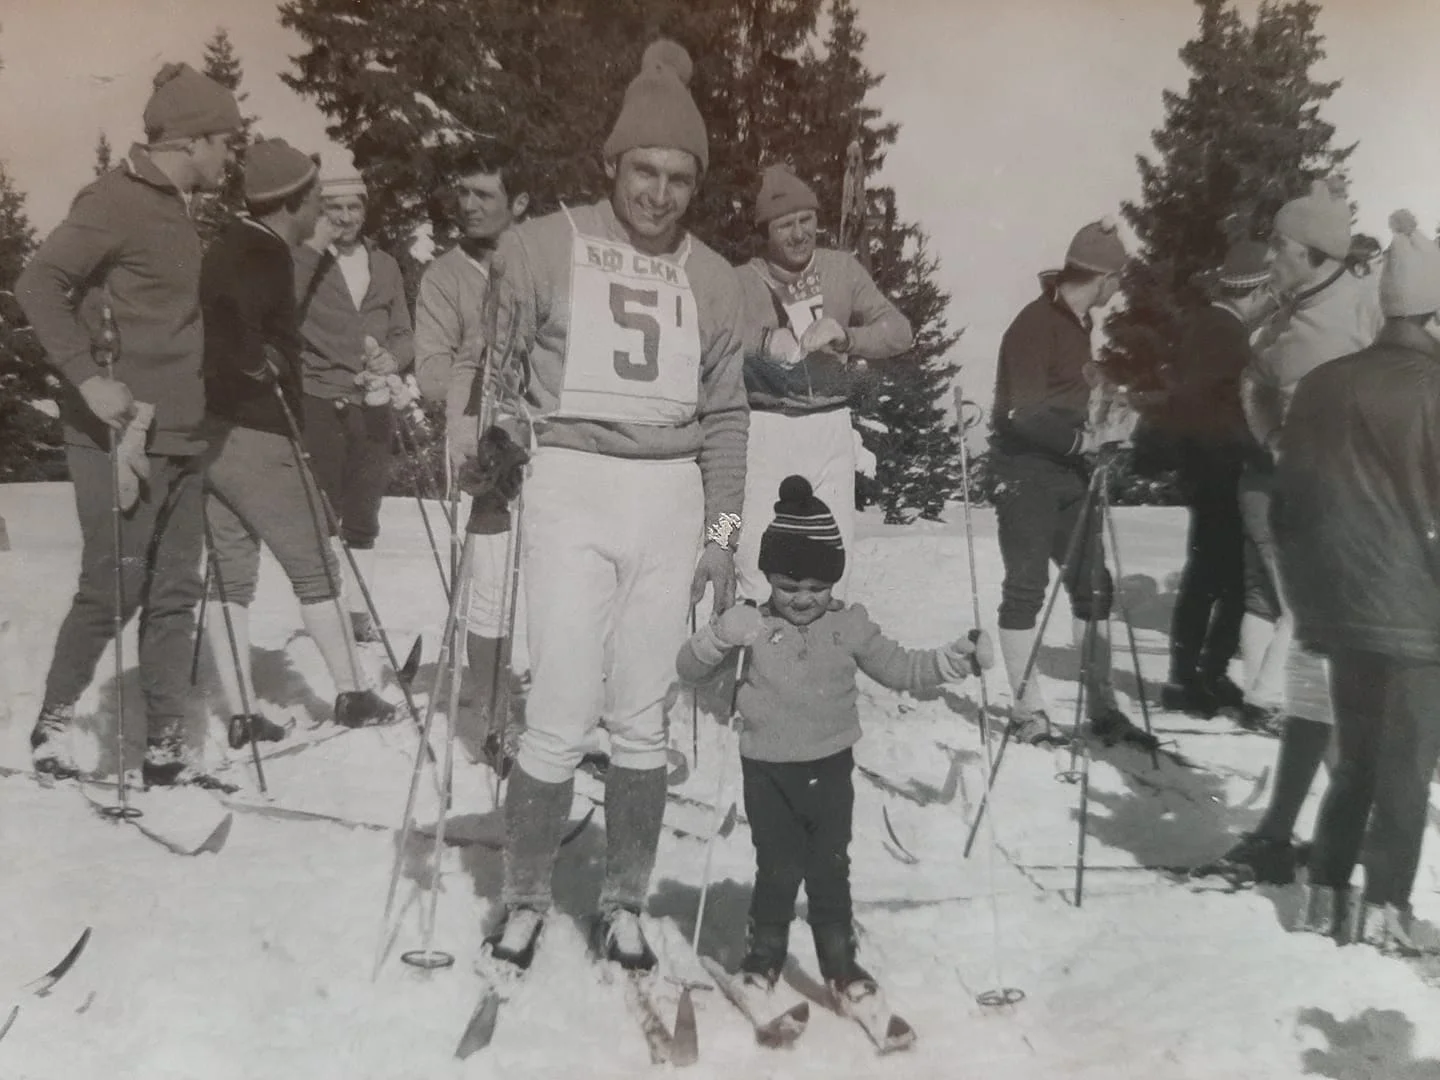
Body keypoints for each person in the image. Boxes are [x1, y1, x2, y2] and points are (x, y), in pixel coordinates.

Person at [476, 39, 748, 973]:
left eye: (680, 177)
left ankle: (626, 901)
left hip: (672, 499)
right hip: (573, 485)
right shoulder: (541, 244)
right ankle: (522, 898)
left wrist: (721, 538)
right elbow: (497, 381)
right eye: (644, 171)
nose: (660, 193)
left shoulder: (714, 278)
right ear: (611, 165)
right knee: (556, 705)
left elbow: (729, 419)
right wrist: (497, 438)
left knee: (643, 712)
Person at [677, 475, 993, 1004]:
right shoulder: (752, 623)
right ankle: (763, 959)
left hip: (830, 769)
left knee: (830, 867)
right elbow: (690, 670)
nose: (803, 599)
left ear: (835, 583)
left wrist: (956, 659)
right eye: (788, 585)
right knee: (776, 867)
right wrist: (717, 636)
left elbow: (903, 669)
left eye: (817, 589)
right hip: (767, 770)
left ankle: (841, 964)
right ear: (770, 576)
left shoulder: (850, 627)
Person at [18, 63, 241, 784]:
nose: (230, 157)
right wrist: (87, 377)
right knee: (114, 584)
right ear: (192, 141)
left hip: (183, 428)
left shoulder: (183, 208)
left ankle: (166, 748)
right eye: (225, 143)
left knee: (176, 589)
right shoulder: (114, 200)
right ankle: (52, 727)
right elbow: (37, 282)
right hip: (119, 433)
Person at [1202, 180, 1383, 885]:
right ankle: (1301, 832)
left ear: (1310, 254)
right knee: (1315, 678)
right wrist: (1272, 432)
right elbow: (1252, 378)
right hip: (1306, 508)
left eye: (1279, 246)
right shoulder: (1288, 309)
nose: (1268, 253)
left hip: (1351, 518)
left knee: (1328, 678)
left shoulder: (1360, 309)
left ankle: (1342, 835)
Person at [1275, 211, 1440, 955]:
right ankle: (1388, 911)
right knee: (1407, 766)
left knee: (1358, 758)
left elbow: (1289, 506)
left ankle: (1325, 897)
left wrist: (1314, 596)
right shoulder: (1435, 388)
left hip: (1340, 607)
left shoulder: (1320, 384)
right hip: (1417, 612)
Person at [199, 138, 396, 744]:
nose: (323, 207)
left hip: (214, 437)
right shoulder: (271, 255)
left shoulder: (231, 244)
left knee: (231, 573)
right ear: (291, 201)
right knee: (316, 565)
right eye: (315, 195)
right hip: (258, 434)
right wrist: (257, 367)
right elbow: (233, 322)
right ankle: (352, 693)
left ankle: (240, 711)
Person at [988, 217, 1155, 750]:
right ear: (1103, 276)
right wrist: (1079, 442)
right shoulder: (1033, 324)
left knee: (1093, 585)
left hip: (1071, 477)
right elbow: (1021, 412)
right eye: (1118, 279)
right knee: (1026, 589)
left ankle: (1102, 708)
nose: (1119, 289)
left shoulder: (1079, 326)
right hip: (1026, 477)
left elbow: (1069, 396)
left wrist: (1109, 421)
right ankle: (1026, 710)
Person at [733, 164, 913, 602]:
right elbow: (705, 339)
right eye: (784, 225)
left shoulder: (842, 269)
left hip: (831, 425)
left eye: (806, 220)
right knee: (745, 548)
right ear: (765, 230)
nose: (798, 234)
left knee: (835, 556)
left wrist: (848, 335)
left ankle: (826, 657)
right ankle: (749, 651)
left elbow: (900, 331)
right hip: (762, 426)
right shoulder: (739, 279)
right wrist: (760, 342)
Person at [413, 144, 530, 766]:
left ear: (519, 204)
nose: (470, 205)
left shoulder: (541, 264)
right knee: (490, 582)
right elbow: (430, 372)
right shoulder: (443, 277)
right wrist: (478, 358)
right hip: (484, 446)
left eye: (486, 194)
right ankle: (493, 718)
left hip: (550, 442)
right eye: (464, 193)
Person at [292, 152, 415, 644]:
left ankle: (358, 616)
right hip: (319, 396)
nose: (344, 218)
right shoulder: (305, 260)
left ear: (366, 210)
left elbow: (406, 331)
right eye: (334, 207)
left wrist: (394, 358)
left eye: (353, 207)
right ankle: (325, 618)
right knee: (321, 511)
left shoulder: (383, 265)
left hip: (375, 401)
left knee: (364, 509)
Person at [1155, 241, 1274, 717]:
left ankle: (1202, 674)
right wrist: (1259, 451)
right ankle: (1189, 680)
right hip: (1220, 470)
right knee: (1216, 577)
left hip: (1208, 468)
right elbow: (1219, 414)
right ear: (1256, 290)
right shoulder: (1224, 334)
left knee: (1217, 576)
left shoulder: (1208, 326)